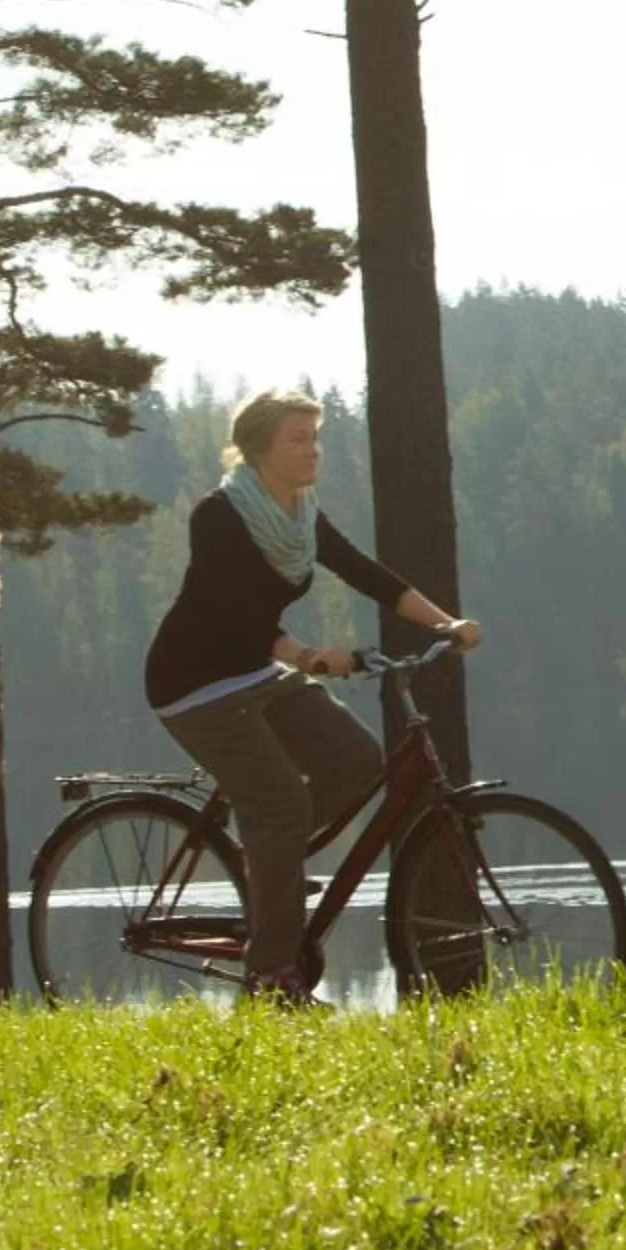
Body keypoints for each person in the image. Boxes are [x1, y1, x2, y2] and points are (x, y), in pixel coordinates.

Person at [143, 388, 482, 1001]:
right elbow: (235, 613)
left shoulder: (299, 514)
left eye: (315, 437)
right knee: (279, 807)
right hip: (193, 683)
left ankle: (271, 868)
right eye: (297, 439)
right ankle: (271, 977)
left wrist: (445, 623)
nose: (312, 450)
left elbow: (362, 570)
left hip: (255, 672)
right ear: (258, 449)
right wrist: (308, 656)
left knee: (357, 762)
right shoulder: (218, 517)